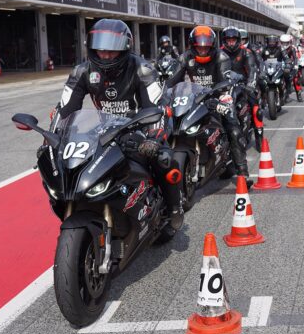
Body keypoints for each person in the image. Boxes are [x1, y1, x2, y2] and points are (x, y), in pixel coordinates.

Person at [56, 19, 183, 232]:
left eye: (111, 51)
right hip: (104, 129)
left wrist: (153, 138)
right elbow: (65, 110)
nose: (105, 56)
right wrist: (53, 139)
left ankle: (174, 209)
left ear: (124, 49)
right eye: (101, 50)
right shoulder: (82, 71)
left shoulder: (142, 69)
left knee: (164, 159)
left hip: (140, 127)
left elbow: (158, 106)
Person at [166, 25, 252, 184]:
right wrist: (165, 96)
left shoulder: (221, 57)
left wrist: (224, 97)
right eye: (199, 48)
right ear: (193, 46)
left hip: (217, 97)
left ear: (212, 46)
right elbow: (171, 82)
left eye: (206, 48)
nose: (202, 51)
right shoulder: (185, 58)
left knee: (233, 128)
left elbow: (225, 82)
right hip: (194, 98)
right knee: (171, 126)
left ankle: (242, 171)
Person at [220, 26, 263, 150]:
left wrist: (251, 84)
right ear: (224, 41)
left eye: (233, 40)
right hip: (224, 87)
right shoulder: (219, 53)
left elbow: (252, 69)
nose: (231, 43)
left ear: (238, 40)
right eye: (228, 40)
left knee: (255, 107)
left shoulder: (246, 52)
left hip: (243, 85)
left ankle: (259, 136)